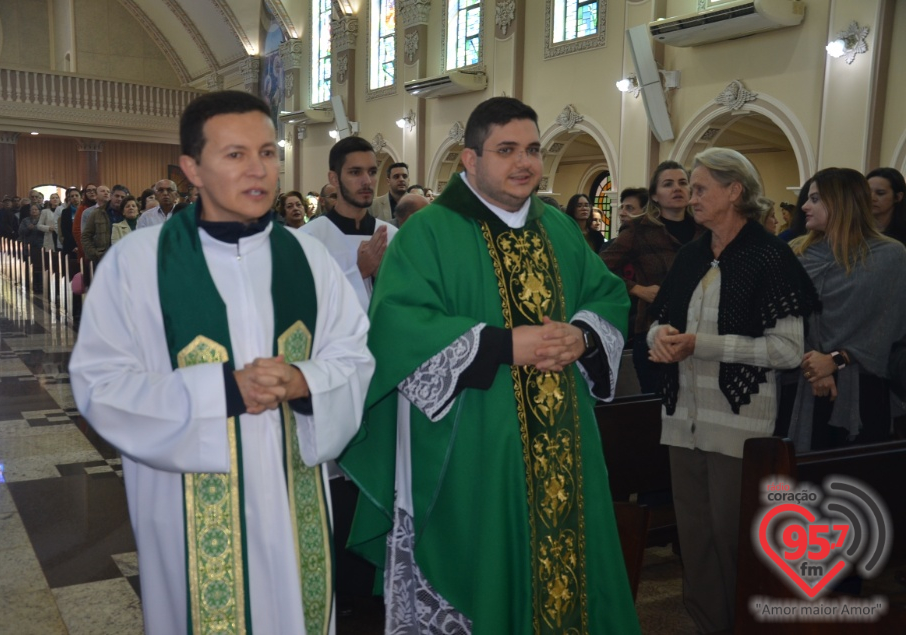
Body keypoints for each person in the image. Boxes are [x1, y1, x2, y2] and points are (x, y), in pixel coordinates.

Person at [69, 90, 375, 635]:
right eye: (235, 154)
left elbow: (353, 354)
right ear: (192, 168)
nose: (258, 170)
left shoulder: (307, 257)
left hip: (292, 500)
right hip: (186, 506)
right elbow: (100, 384)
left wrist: (305, 380)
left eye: (267, 153)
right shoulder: (138, 263)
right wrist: (224, 392)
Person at [340, 97, 640, 634]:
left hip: (564, 440)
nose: (524, 163)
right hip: (472, 447)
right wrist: (503, 345)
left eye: (532, 149)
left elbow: (608, 294)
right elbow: (398, 326)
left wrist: (584, 333)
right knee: (485, 576)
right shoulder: (430, 232)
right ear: (470, 160)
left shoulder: (560, 229)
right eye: (506, 150)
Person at [648, 148, 816, 634]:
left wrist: (702, 345)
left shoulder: (769, 255)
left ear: (734, 191)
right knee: (696, 539)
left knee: (733, 537)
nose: (690, 197)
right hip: (683, 420)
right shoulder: (692, 255)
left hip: (739, 425)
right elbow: (662, 320)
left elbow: (787, 349)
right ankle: (706, 625)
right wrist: (662, 340)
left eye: (700, 188)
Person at [787, 167, 906, 451]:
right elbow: (783, 318)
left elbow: (887, 327)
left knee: (854, 485)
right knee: (801, 482)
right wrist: (816, 365)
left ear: (841, 203)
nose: (804, 205)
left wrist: (835, 360)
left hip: (864, 387)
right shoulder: (795, 253)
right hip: (801, 381)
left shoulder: (890, 256)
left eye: (815, 199)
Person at [601, 161, 705, 394]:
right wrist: (637, 289)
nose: (677, 189)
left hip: (699, 329)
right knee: (659, 409)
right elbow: (600, 266)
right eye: (668, 184)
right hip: (653, 329)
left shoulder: (704, 227)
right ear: (655, 196)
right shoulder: (640, 228)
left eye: (682, 183)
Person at [298, 136, 398, 311]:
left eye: (372, 172)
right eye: (355, 172)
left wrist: (383, 278)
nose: (367, 181)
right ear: (334, 179)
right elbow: (301, 303)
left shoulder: (390, 235)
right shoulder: (309, 237)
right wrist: (359, 272)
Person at [866, 167, 906, 245]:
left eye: (880, 193)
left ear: (898, 197)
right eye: (867, 192)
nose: (872, 198)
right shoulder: (855, 229)